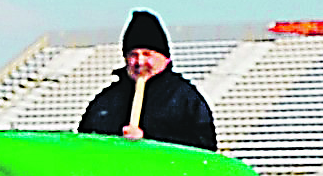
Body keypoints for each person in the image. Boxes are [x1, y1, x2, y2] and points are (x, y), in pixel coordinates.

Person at [77, 10, 218, 151]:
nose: (140, 62)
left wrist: (149, 140)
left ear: (165, 58)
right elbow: (85, 142)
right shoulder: (106, 101)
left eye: (147, 54)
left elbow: (204, 148)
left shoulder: (185, 99)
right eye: (133, 55)